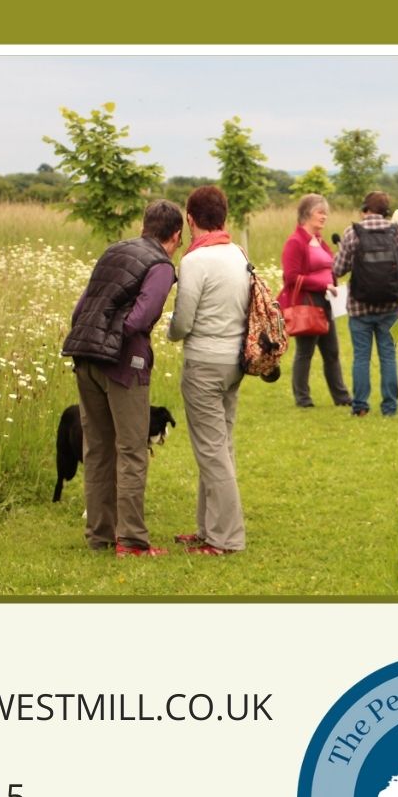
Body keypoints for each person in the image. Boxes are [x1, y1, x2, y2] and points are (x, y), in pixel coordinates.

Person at [63, 199, 184, 558]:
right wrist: (119, 338)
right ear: (176, 235)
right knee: (132, 450)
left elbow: (80, 310)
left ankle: (99, 535)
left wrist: (98, 339)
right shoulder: (160, 266)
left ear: (145, 225)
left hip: (85, 358)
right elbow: (142, 318)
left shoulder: (113, 251)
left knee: (98, 449)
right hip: (123, 364)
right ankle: (131, 541)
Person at [166, 184, 251, 556]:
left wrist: (169, 330)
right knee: (219, 447)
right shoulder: (237, 253)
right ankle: (208, 528)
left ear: (190, 219)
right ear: (224, 217)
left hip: (204, 363)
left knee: (212, 452)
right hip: (235, 361)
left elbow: (183, 321)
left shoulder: (194, 261)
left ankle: (225, 538)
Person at [334, 191, 398, 417]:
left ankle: (360, 406)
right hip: (390, 306)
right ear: (386, 210)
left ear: (365, 208)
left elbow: (338, 269)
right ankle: (390, 408)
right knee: (388, 356)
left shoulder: (352, 232)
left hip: (359, 306)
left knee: (361, 357)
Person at [281, 193, 350, 410]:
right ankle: (303, 399)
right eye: (320, 212)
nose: (324, 216)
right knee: (305, 352)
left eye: (325, 213)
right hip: (308, 303)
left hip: (326, 301)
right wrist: (322, 285)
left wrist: (333, 284)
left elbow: (328, 268)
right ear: (306, 214)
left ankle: (342, 397)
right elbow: (291, 277)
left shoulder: (320, 241)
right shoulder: (295, 242)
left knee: (332, 352)